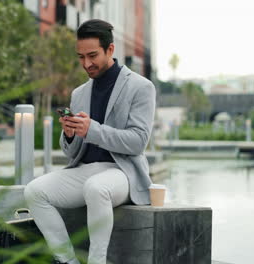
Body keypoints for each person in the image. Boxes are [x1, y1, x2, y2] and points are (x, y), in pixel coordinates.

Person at [24, 19, 156, 264]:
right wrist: (71, 134)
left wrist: (92, 130)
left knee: (96, 188)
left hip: (122, 171)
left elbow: (137, 142)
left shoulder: (141, 87)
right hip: (85, 170)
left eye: (92, 55)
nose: (86, 63)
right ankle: (66, 260)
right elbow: (70, 151)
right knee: (34, 191)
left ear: (110, 50)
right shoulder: (79, 93)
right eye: (81, 57)